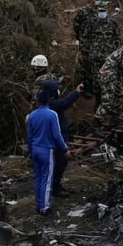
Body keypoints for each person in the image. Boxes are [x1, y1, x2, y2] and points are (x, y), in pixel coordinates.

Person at [27, 85, 70, 217]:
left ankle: (38, 204)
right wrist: (64, 149)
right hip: (47, 150)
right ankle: (45, 208)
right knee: (47, 179)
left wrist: (29, 151)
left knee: (38, 178)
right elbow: (57, 135)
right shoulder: (52, 115)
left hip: (35, 149)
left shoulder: (31, 116)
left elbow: (29, 136)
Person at [43, 80, 83, 197]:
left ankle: (55, 185)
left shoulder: (48, 102)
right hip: (56, 140)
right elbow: (65, 103)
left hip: (57, 138)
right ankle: (54, 188)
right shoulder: (51, 104)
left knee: (59, 163)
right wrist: (76, 92)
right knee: (59, 163)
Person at [74, 0, 105, 98]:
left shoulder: (101, 12)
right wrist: (81, 43)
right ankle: (85, 89)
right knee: (85, 67)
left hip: (98, 43)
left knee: (96, 66)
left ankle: (96, 88)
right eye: (95, 0)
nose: (97, 2)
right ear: (90, 0)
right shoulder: (82, 12)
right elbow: (76, 28)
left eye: (99, 0)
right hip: (85, 43)